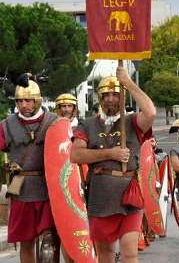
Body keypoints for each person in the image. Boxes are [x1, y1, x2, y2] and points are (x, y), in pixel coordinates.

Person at [0, 73, 61, 262]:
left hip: (49, 190)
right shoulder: (6, 126)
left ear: (37, 100)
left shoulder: (55, 122)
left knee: (49, 243)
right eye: (20, 101)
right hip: (22, 190)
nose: (24, 105)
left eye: (28, 100)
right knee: (26, 243)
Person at [69, 67, 156, 263]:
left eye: (115, 94)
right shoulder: (87, 125)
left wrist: (128, 83)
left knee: (129, 252)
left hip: (129, 195)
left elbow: (150, 112)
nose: (110, 99)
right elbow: (75, 155)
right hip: (101, 196)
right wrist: (110, 153)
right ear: (99, 97)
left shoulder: (133, 122)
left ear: (122, 96)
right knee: (106, 254)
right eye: (106, 94)